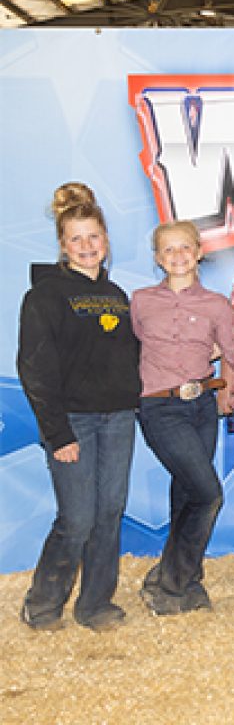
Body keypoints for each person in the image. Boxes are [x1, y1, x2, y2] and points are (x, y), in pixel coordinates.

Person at [18, 183, 141, 632]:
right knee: (77, 516)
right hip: (73, 422)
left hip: (118, 419)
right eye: (77, 238)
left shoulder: (118, 296)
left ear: (106, 242)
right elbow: (35, 370)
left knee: (110, 511)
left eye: (94, 237)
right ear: (63, 245)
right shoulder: (44, 297)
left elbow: (128, 359)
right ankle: (42, 603)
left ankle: (96, 605)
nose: (86, 246)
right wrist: (57, 433)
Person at [132, 221, 234, 616]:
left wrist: (229, 392)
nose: (178, 256)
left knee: (186, 493)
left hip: (201, 406)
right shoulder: (140, 302)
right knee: (208, 492)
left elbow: (231, 351)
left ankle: (183, 578)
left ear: (199, 252)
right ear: (159, 258)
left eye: (185, 248)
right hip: (159, 406)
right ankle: (171, 584)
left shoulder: (216, 305)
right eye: (168, 250)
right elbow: (134, 345)